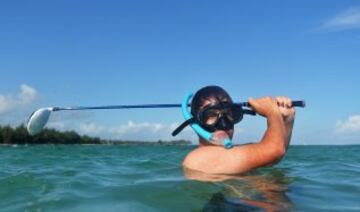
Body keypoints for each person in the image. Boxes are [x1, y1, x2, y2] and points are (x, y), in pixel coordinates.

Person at [178, 85, 295, 174]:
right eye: (211, 115)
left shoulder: (235, 152)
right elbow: (274, 151)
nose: (223, 124)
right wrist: (272, 112)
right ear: (195, 122)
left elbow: (272, 156)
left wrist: (286, 120)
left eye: (229, 114)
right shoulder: (198, 158)